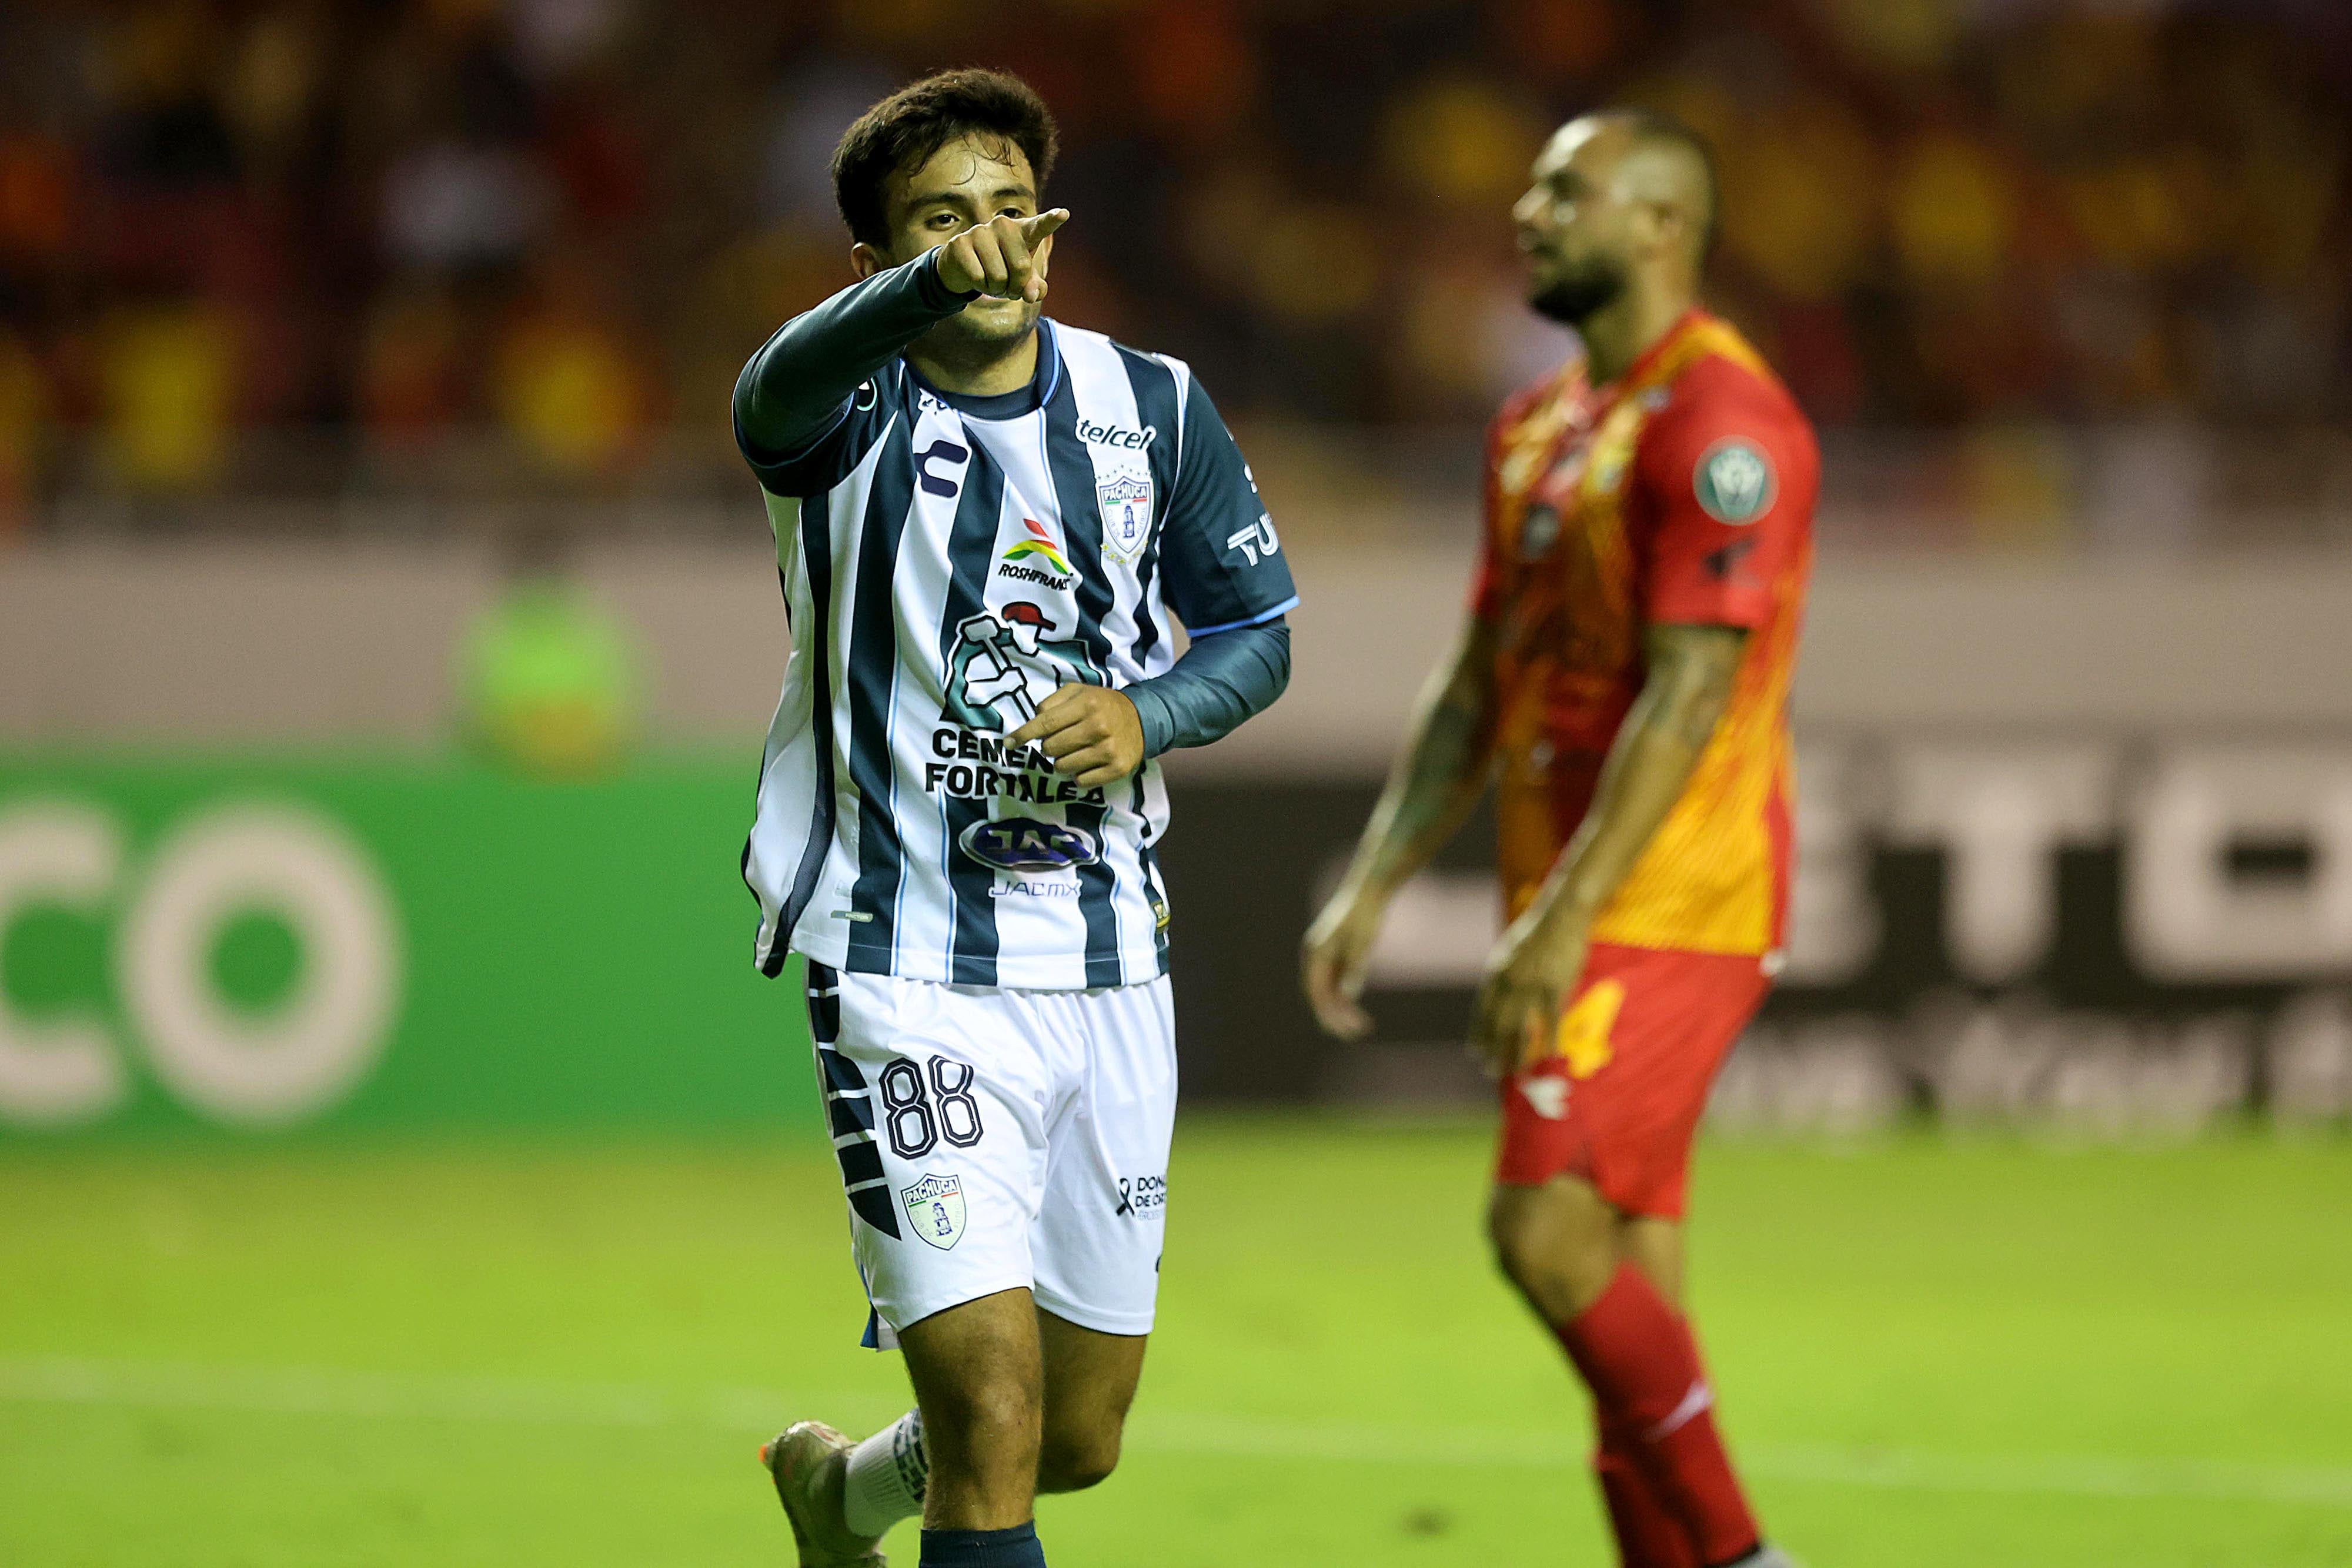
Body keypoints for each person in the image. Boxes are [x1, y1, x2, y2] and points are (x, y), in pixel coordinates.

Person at [733, 69, 1295, 1568]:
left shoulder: (1151, 403)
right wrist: (909, 300)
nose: (985, 244)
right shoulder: (845, 406)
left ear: (1048, 234)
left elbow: (1258, 630)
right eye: (939, 223)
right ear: (878, 263)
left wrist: (1151, 712)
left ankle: (840, 1494)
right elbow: (760, 399)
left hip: (1107, 964)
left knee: (1074, 1434)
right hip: (905, 966)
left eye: (1005, 212)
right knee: (990, 1424)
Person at [1302, 110, 1813, 1568]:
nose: (1525, 209)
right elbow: (1475, 682)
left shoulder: (1725, 424)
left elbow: (1692, 684)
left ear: (1659, 225)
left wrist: (1561, 915)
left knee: (1539, 1230)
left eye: (1564, 189)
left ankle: (1737, 1556)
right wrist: (1376, 879)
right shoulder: (1537, 428)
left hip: (1673, 897)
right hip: (1581, 896)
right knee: (1626, 1290)